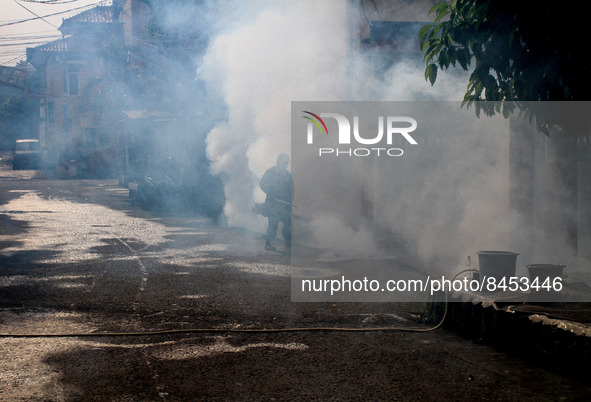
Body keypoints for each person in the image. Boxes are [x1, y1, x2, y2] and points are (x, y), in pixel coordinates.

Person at [260, 153, 293, 251]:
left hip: (284, 204)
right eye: (283, 163)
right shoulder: (271, 172)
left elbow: (292, 190)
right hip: (272, 203)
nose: (285, 165)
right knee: (273, 223)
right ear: (278, 162)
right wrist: (270, 193)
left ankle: (288, 244)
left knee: (288, 223)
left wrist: (290, 202)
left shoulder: (288, 175)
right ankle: (268, 243)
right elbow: (262, 184)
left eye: (286, 163)